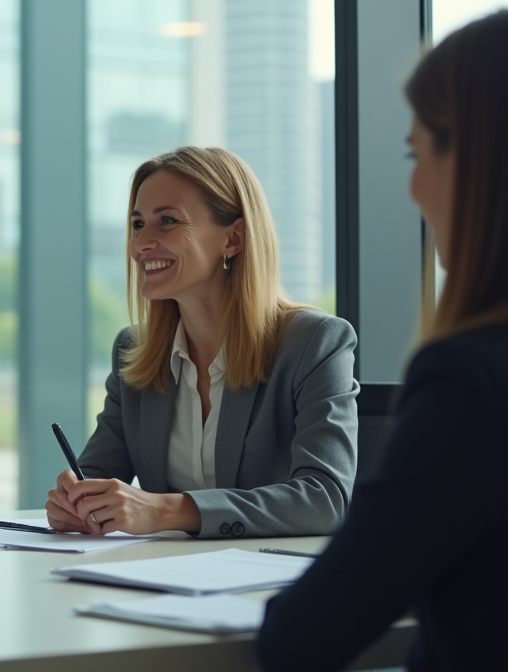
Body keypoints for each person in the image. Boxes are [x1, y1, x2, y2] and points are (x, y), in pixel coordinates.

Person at [258, 11, 508, 671]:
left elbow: (306, 635)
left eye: (416, 152)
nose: (413, 185)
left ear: (480, 158)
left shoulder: (470, 379)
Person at [46, 146, 359, 538]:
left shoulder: (313, 343)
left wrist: (167, 510)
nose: (141, 243)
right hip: (157, 580)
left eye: (167, 221)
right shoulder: (135, 350)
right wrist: (76, 500)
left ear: (234, 238)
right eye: (138, 224)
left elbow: (324, 500)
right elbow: (99, 473)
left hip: (265, 584)